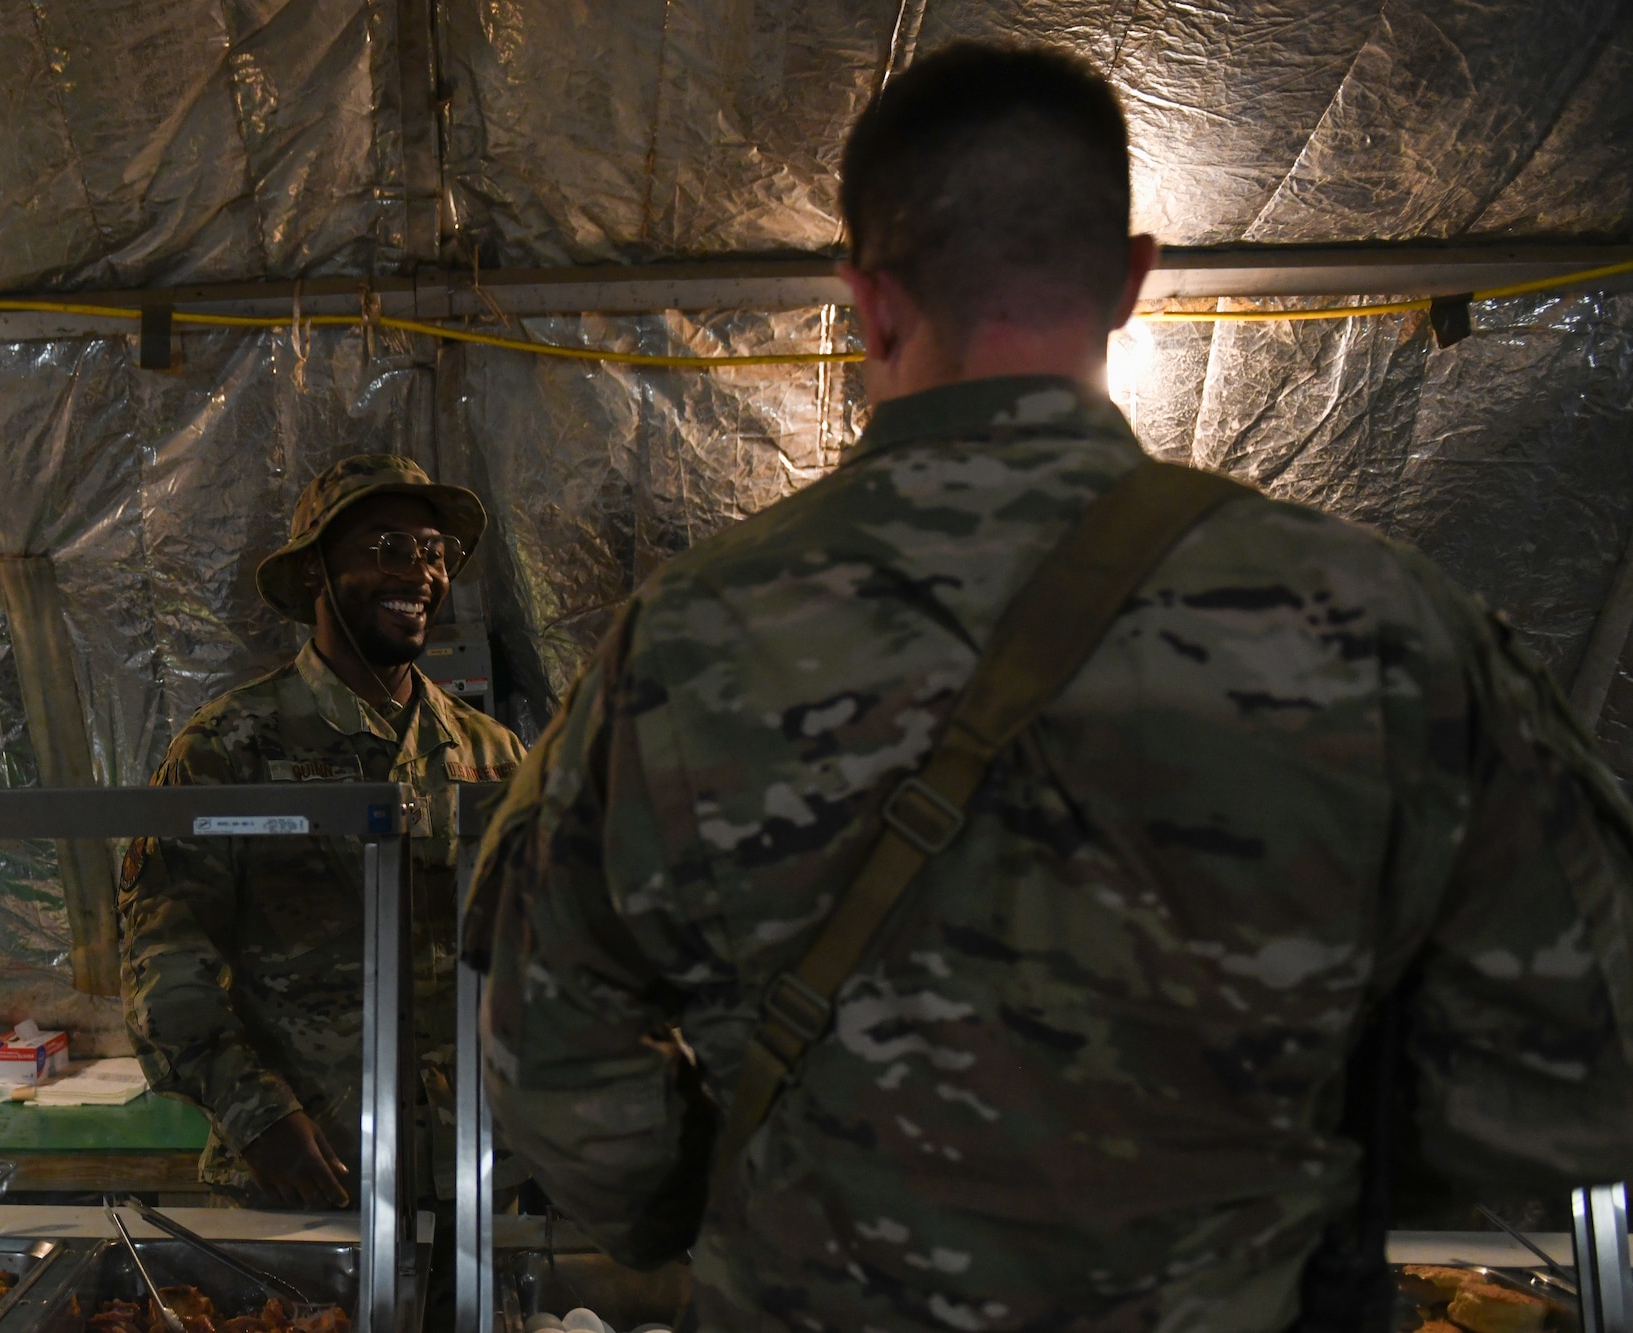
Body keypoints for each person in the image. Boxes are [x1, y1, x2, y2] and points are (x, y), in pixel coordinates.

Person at [467, 40, 1633, 1333]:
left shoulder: (682, 643)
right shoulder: (1373, 624)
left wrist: (694, 1201)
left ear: (865, 299)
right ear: (1133, 280)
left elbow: (552, 1059)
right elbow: (1583, 1067)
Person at [122, 454, 525, 1208]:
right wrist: (257, 1114)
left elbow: (539, 953)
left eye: (434, 551)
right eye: (388, 549)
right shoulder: (226, 749)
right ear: (314, 573)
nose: (420, 574)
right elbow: (166, 970)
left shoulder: (491, 755)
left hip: (471, 1177)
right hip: (309, 1180)